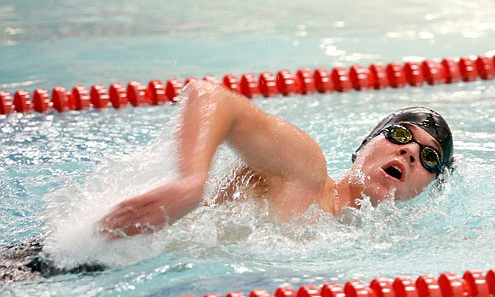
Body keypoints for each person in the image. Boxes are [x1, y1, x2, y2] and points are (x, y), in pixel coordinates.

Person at [98, 80, 454, 239]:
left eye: (429, 158)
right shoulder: (305, 171)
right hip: (98, 247)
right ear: (362, 147)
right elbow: (211, 96)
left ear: (428, 188)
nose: (409, 152)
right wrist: (191, 182)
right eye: (401, 135)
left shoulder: (384, 242)